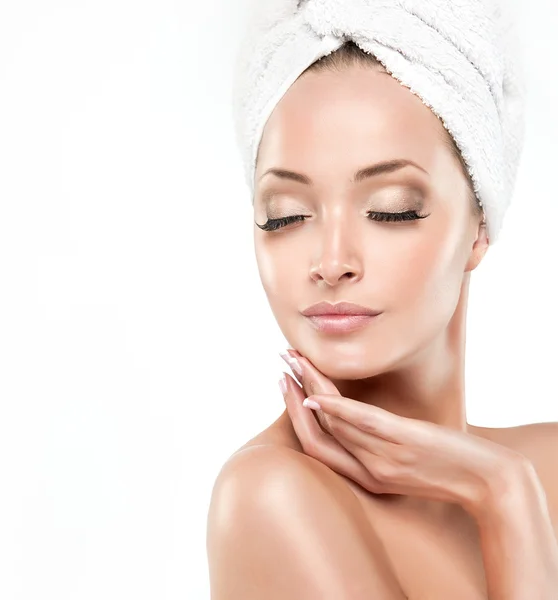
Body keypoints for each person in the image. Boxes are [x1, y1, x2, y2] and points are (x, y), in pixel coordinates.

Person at [206, 23, 558, 600]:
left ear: (479, 228)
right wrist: (506, 500)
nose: (332, 261)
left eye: (391, 211)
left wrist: (503, 489)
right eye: (286, 215)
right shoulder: (271, 498)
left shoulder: (545, 469)